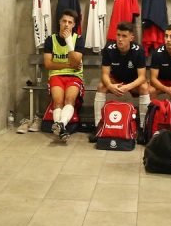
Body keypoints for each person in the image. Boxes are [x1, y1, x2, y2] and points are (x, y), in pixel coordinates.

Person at [93, 22, 149, 139]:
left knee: (145, 87)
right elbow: (104, 74)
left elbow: (142, 77)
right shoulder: (109, 49)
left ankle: (143, 128)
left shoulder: (138, 51)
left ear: (131, 38)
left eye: (124, 36)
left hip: (133, 81)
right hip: (116, 80)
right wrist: (110, 86)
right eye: (118, 35)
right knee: (101, 86)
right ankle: (98, 127)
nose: (120, 39)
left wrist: (127, 87)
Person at [44, 9, 84, 142]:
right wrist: (68, 65)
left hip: (74, 75)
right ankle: (62, 127)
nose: (67, 24)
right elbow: (48, 64)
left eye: (70, 22)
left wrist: (68, 41)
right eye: (64, 21)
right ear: (59, 22)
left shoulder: (78, 39)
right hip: (56, 75)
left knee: (70, 99)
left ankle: (60, 126)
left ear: (73, 25)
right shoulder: (51, 39)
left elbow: (77, 61)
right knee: (58, 101)